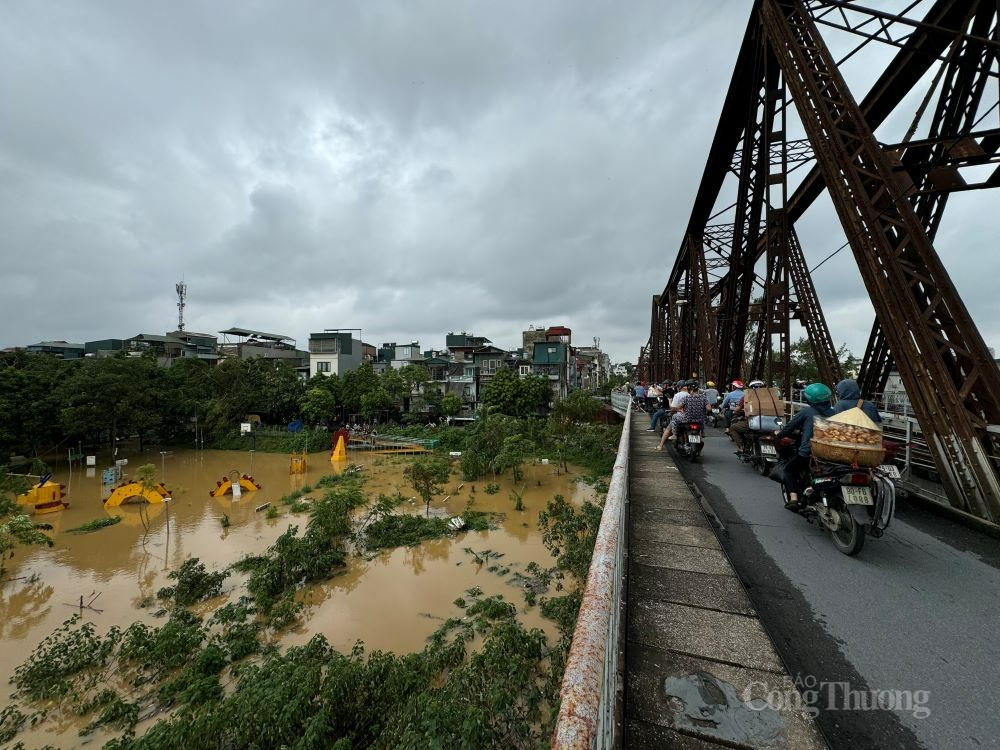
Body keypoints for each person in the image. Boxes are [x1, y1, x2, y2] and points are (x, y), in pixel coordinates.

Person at [774, 382, 835, 511]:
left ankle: (794, 499)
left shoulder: (807, 411)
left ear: (808, 399)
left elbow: (790, 427)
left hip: (809, 452)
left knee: (789, 470)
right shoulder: (835, 412)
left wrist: (779, 434)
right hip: (829, 452)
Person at [657, 380, 708, 449]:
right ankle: (702, 432)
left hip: (687, 419)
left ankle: (670, 438)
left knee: (674, 418)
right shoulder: (703, 397)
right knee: (700, 419)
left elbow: (675, 407)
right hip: (700, 420)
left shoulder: (686, 398)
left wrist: (670, 401)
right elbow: (709, 409)